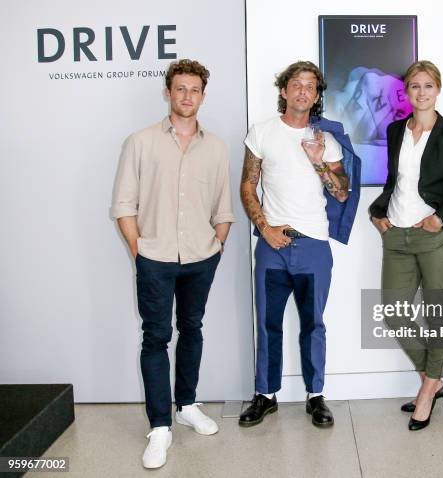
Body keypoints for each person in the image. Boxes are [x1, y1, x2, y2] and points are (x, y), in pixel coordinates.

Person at [111, 59, 235, 468]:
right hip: (155, 258)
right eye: (180, 89)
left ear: (203, 95)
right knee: (155, 338)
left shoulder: (216, 147)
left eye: (194, 90)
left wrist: (216, 247)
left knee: (192, 329)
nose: (187, 96)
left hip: (202, 257)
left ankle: (187, 405)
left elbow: (223, 208)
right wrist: (139, 252)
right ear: (168, 92)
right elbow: (124, 205)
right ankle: (160, 426)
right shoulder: (140, 141)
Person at [238, 60, 354, 428]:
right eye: (296, 84)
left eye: (311, 85)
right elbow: (247, 185)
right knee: (268, 324)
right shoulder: (261, 133)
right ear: (284, 91)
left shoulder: (327, 141)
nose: (303, 90)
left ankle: (315, 395)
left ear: (317, 95)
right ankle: (266, 394)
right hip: (273, 244)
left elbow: (341, 194)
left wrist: (318, 162)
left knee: (313, 325)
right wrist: (264, 228)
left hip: (314, 246)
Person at [369, 60, 443, 431]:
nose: (421, 92)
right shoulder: (396, 129)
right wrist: (377, 212)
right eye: (414, 86)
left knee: (438, 316)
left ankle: (428, 389)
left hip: (436, 237)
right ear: (407, 91)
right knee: (395, 313)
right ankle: (435, 376)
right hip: (395, 234)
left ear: (438, 89)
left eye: (428, 85)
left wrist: (440, 217)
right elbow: (394, 181)